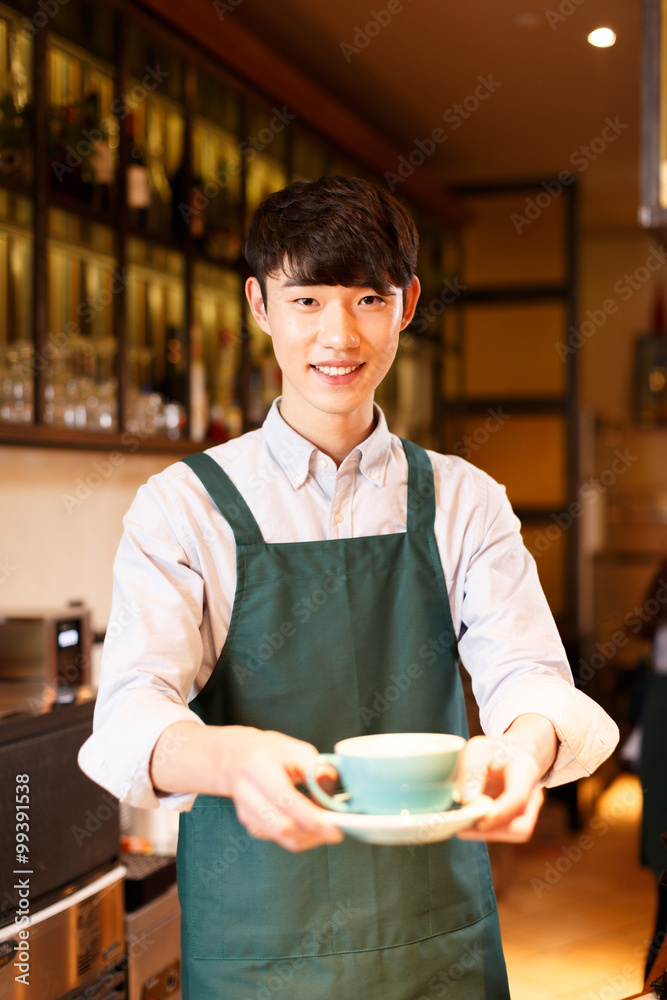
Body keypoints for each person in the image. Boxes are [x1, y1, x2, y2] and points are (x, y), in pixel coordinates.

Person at [79, 175, 619, 999]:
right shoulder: (183, 506)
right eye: (307, 301)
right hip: (257, 937)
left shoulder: (462, 499)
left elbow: (528, 677)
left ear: (405, 306)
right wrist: (227, 756)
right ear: (259, 304)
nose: (338, 334)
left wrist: (522, 748)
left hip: (434, 930)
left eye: (367, 298)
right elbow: (128, 714)